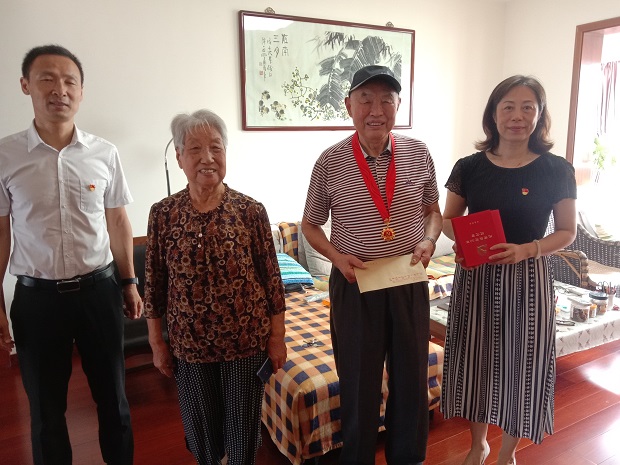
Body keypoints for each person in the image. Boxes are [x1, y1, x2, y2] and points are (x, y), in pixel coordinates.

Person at [0, 45, 142, 465]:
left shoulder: (104, 153)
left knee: (114, 401)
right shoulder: (5, 156)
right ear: (25, 85)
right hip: (37, 299)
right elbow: (1, 232)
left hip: (99, 293)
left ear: (81, 91)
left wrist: (129, 282)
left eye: (69, 81)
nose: (59, 90)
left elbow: (118, 222)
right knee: (46, 413)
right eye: (47, 79)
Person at [302, 65, 442, 465]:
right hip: (355, 282)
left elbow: (433, 212)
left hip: (407, 280)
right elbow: (310, 225)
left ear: (398, 105)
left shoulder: (418, 153)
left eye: (386, 100)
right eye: (366, 99)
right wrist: (335, 256)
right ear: (350, 106)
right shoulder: (330, 162)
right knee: (359, 383)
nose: (376, 110)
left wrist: (429, 240)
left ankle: (408, 458)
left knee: (411, 378)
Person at [440, 75, 577, 465]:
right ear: (493, 114)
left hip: (528, 279)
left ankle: (507, 452)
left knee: (523, 366)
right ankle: (478, 444)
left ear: (539, 115)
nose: (518, 116)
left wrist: (527, 250)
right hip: (477, 277)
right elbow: (448, 220)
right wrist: (464, 243)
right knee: (475, 362)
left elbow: (567, 232)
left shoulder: (557, 169)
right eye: (509, 107)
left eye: (527, 107)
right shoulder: (469, 167)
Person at [143, 109, 287, 465]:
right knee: (202, 429)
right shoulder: (163, 214)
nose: (207, 158)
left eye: (216, 148)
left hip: (245, 342)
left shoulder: (250, 211)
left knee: (243, 429)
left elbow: (272, 280)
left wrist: (277, 337)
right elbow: (154, 285)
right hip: (189, 345)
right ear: (179, 157)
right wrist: (157, 342)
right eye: (195, 149)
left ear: (226, 153)